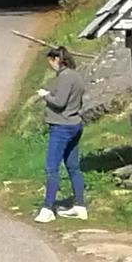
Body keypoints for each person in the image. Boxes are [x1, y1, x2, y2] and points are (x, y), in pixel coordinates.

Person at [38, 51, 91, 223]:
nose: (50, 65)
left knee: (51, 167)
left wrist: (45, 96)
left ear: (57, 60)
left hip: (62, 126)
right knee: (73, 166)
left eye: (51, 62)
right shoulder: (77, 76)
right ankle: (80, 205)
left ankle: (48, 208)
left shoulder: (65, 77)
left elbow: (60, 102)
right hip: (75, 123)